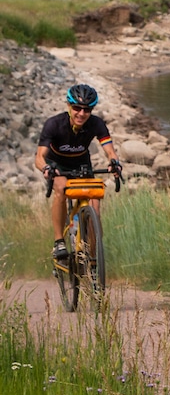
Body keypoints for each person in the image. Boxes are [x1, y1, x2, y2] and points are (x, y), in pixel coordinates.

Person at [34, 84, 122, 265]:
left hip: (81, 163)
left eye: (87, 109)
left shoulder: (96, 123)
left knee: (95, 203)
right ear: (69, 106)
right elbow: (39, 157)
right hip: (56, 164)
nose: (81, 114)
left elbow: (110, 151)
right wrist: (45, 169)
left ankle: (92, 259)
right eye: (77, 108)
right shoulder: (54, 124)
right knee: (61, 187)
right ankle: (59, 241)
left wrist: (115, 163)